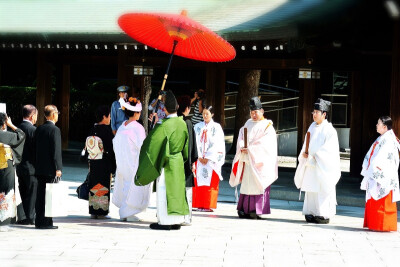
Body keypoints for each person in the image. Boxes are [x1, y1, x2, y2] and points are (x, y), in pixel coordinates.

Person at [135, 90, 189, 230]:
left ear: (164, 109)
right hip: (178, 162)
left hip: (167, 163)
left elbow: (151, 144)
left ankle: (165, 221)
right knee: (177, 191)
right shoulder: (182, 123)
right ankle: (177, 220)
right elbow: (186, 147)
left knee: (165, 191)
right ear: (177, 108)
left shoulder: (163, 125)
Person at [229, 97, 278, 219]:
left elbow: (265, 145)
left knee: (257, 184)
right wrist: (242, 147)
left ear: (262, 111)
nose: (254, 114)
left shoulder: (267, 126)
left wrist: (250, 149)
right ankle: (244, 209)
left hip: (259, 162)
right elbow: (241, 137)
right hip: (247, 160)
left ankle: (257, 210)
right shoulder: (248, 123)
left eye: (256, 112)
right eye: (252, 112)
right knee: (247, 184)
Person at [294, 98, 341, 224]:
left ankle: (322, 214)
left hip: (321, 166)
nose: (314, 114)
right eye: (313, 112)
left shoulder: (329, 130)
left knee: (321, 190)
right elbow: (306, 144)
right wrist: (304, 153)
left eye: (317, 112)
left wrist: (316, 155)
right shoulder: (311, 127)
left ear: (324, 114)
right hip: (310, 164)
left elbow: (330, 150)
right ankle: (310, 212)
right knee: (311, 189)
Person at [113, 97, 151, 222]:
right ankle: (128, 212)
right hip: (133, 161)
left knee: (125, 185)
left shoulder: (122, 126)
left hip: (123, 161)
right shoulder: (137, 127)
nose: (140, 115)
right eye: (139, 112)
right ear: (135, 113)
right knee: (132, 186)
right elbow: (143, 145)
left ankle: (125, 211)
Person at [361, 116, 400, 231]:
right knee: (375, 200)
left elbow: (384, 158)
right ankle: (375, 224)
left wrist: (374, 168)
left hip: (383, 175)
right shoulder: (383, 138)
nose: (376, 126)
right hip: (377, 172)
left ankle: (382, 225)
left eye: (378, 124)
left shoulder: (388, 140)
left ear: (384, 126)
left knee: (382, 199)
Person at [192, 103, 225, 212]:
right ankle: (198, 204)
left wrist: (209, 157)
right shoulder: (197, 127)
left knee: (210, 182)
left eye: (207, 114)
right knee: (198, 182)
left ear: (212, 114)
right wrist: (199, 156)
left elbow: (218, 144)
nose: (205, 116)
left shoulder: (217, 127)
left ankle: (208, 205)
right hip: (199, 159)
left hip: (211, 160)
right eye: (203, 114)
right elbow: (195, 142)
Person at [34, 105, 62, 230]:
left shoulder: (39, 129)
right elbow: (56, 151)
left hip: (40, 168)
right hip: (50, 168)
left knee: (40, 195)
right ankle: (47, 222)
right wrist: (58, 168)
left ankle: (39, 221)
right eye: (57, 113)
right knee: (49, 196)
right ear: (53, 114)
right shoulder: (55, 130)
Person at [85, 106, 116, 219]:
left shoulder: (92, 129)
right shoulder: (106, 131)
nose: (110, 118)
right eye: (109, 116)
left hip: (93, 161)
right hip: (104, 162)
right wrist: (114, 164)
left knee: (94, 185)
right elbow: (111, 148)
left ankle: (94, 210)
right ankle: (102, 212)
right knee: (103, 185)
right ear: (104, 117)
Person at [0, 113, 25, 232]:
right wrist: (11, 124)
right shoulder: (7, 135)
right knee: (7, 192)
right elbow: (21, 135)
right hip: (5, 167)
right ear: (3, 124)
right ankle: (4, 220)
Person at [177, 95, 198, 225]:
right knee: (186, 190)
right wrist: (192, 161)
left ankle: (176, 215)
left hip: (173, 162)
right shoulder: (187, 123)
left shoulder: (172, 121)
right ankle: (186, 217)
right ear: (187, 108)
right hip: (185, 162)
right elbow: (191, 145)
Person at [16, 105, 38, 225]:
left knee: (23, 191)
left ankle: (24, 216)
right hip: (31, 166)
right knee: (32, 192)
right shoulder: (33, 130)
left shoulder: (17, 128)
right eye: (36, 116)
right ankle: (30, 217)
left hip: (20, 166)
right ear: (32, 116)